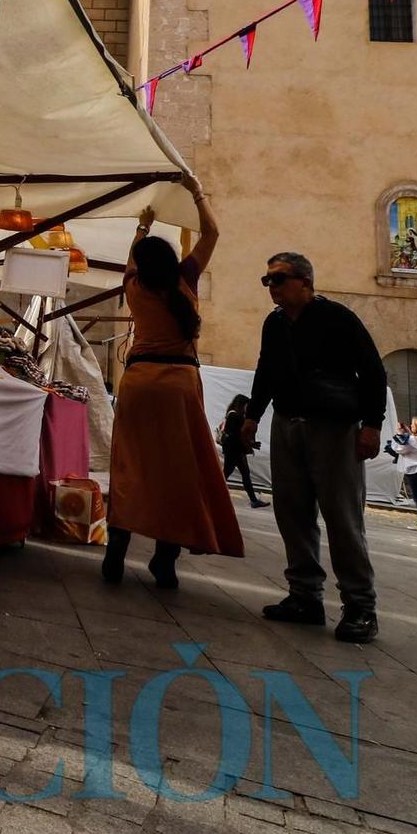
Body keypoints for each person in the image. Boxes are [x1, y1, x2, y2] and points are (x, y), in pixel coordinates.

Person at [102, 176, 243, 590]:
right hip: (179, 383)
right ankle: (165, 559)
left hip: (140, 380)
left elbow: (133, 259)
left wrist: (142, 225)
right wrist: (198, 192)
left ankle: (116, 551)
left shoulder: (134, 285)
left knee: (130, 466)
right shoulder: (187, 279)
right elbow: (213, 232)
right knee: (177, 473)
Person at [242, 252, 388, 645]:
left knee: (342, 517)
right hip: (288, 424)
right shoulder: (274, 324)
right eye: (267, 280)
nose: (270, 287)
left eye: (278, 279)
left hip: (333, 428)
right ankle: (305, 596)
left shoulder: (338, 318)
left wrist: (372, 425)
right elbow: (266, 371)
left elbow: (373, 370)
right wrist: (253, 415)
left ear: (305, 282)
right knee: (291, 512)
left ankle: (361, 607)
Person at [217, 395, 267, 509]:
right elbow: (236, 435)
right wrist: (249, 444)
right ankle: (214, 494)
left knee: (242, 474)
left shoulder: (233, 415)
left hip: (235, 450)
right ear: (241, 405)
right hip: (234, 451)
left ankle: (253, 500)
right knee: (228, 474)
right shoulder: (234, 416)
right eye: (246, 406)